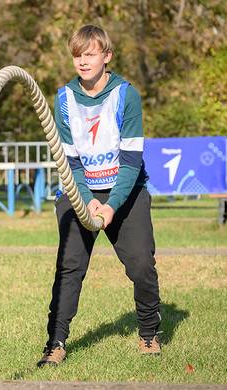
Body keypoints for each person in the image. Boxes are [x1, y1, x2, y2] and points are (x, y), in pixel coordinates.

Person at [37, 25, 162, 367]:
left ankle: (149, 332)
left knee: (140, 265)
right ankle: (55, 342)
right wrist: (88, 198)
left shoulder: (126, 95)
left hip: (126, 189)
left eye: (90, 54)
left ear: (106, 57)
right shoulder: (63, 98)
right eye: (77, 55)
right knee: (70, 267)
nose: (82, 61)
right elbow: (71, 160)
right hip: (79, 190)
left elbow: (131, 159)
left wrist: (110, 206)